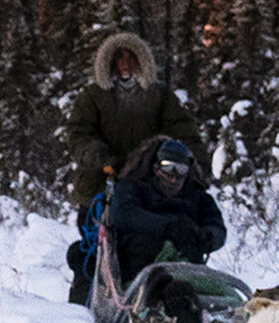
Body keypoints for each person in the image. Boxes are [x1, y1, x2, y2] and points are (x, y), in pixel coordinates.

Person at [66, 32, 210, 301]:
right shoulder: (94, 96)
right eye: (119, 57)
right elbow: (78, 136)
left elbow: (183, 132)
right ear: (108, 62)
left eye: (131, 57)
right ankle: (84, 311)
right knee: (97, 252)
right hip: (100, 187)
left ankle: (161, 296)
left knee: (150, 242)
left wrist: (197, 167)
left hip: (147, 186)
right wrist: (104, 159)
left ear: (142, 61)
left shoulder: (158, 96)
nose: (125, 63)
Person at [109, 135, 227, 272]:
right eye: (168, 167)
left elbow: (217, 227)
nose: (173, 177)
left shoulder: (197, 197)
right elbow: (124, 215)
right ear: (156, 168)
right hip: (139, 265)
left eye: (180, 169)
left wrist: (206, 237)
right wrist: (169, 227)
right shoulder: (133, 188)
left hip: (188, 267)